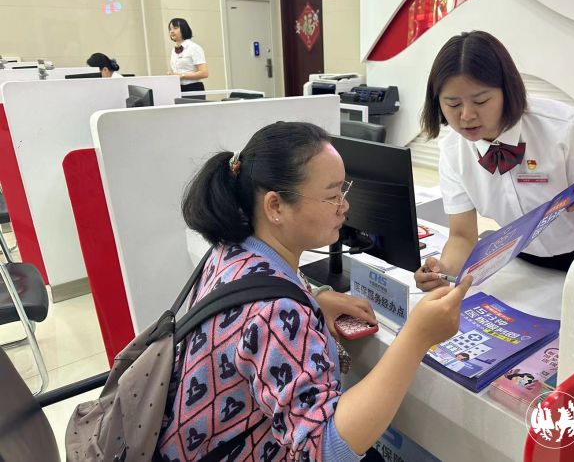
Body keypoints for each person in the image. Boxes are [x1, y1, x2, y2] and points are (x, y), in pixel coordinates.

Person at [157, 121, 472, 461]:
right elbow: (325, 451)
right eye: (332, 196)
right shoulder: (275, 310)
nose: (344, 206)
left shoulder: (229, 250)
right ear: (275, 207)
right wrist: (417, 336)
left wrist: (315, 297)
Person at [415, 31, 574, 292]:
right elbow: (462, 236)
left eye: (481, 100)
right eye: (453, 104)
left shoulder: (562, 126)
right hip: (526, 261)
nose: (466, 115)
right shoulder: (452, 151)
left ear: (507, 90)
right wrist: (442, 272)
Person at [168, 17, 208, 94]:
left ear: (184, 29)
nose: (172, 31)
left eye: (175, 28)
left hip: (193, 87)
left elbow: (204, 73)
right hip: (177, 88)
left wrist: (182, 75)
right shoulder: (173, 50)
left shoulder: (194, 48)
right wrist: (172, 74)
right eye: (170, 29)